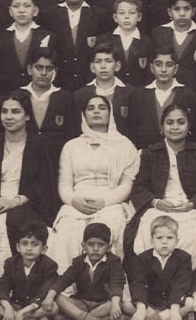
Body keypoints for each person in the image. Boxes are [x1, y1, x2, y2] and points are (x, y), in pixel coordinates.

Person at [47, 95, 141, 267]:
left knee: (108, 229)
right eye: (90, 108)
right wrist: (74, 201)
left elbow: (126, 185)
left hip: (110, 202)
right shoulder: (71, 146)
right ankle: (67, 280)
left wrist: (103, 202)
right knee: (68, 230)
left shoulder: (124, 145)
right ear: (83, 115)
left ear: (110, 113)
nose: (96, 111)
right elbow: (64, 184)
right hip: (76, 201)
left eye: (102, 108)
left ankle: (104, 280)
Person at [0, 95, 59, 270]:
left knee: (19, 222)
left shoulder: (40, 144)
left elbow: (43, 182)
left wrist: (15, 201)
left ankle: (18, 277)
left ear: (27, 116)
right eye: (4, 112)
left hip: (26, 201)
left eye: (16, 112)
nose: (8, 117)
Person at [127, 104, 196, 261]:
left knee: (192, 234)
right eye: (169, 122)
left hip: (189, 209)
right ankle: (153, 273)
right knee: (148, 231)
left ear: (189, 126)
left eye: (181, 122)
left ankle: (184, 274)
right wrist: (156, 202)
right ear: (162, 126)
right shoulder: (150, 153)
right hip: (158, 208)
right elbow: (139, 187)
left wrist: (192, 204)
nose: (175, 127)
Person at [55, 221, 129, 320]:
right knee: (57, 297)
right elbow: (64, 280)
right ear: (83, 246)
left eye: (101, 245)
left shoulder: (113, 261)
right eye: (91, 244)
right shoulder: (78, 262)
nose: (95, 249)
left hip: (102, 305)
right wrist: (51, 295)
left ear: (109, 247)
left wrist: (115, 303)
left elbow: (116, 284)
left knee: (118, 303)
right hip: (82, 303)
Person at [125, 216, 192, 320]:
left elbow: (181, 285)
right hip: (150, 304)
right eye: (159, 238)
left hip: (172, 304)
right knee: (126, 304)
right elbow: (139, 283)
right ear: (151, 241)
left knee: (190, 303)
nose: (164, 242)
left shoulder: (183, 258)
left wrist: (174, 310)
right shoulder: (143, 258)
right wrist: (141, 308)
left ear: (176, 241)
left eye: (169, 238)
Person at [0, 222, 60, 320]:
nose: (29, 248)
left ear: (44, 249)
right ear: (18, 247)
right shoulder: (11, 263)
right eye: (24, 243)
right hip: (16, 305)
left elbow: (44, 293)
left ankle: (13, 319)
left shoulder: (49, 265)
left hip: (34, 307)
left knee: (53, 307)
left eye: (35, 244)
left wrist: (22, 313)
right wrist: (8, 307)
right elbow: (2, 286)